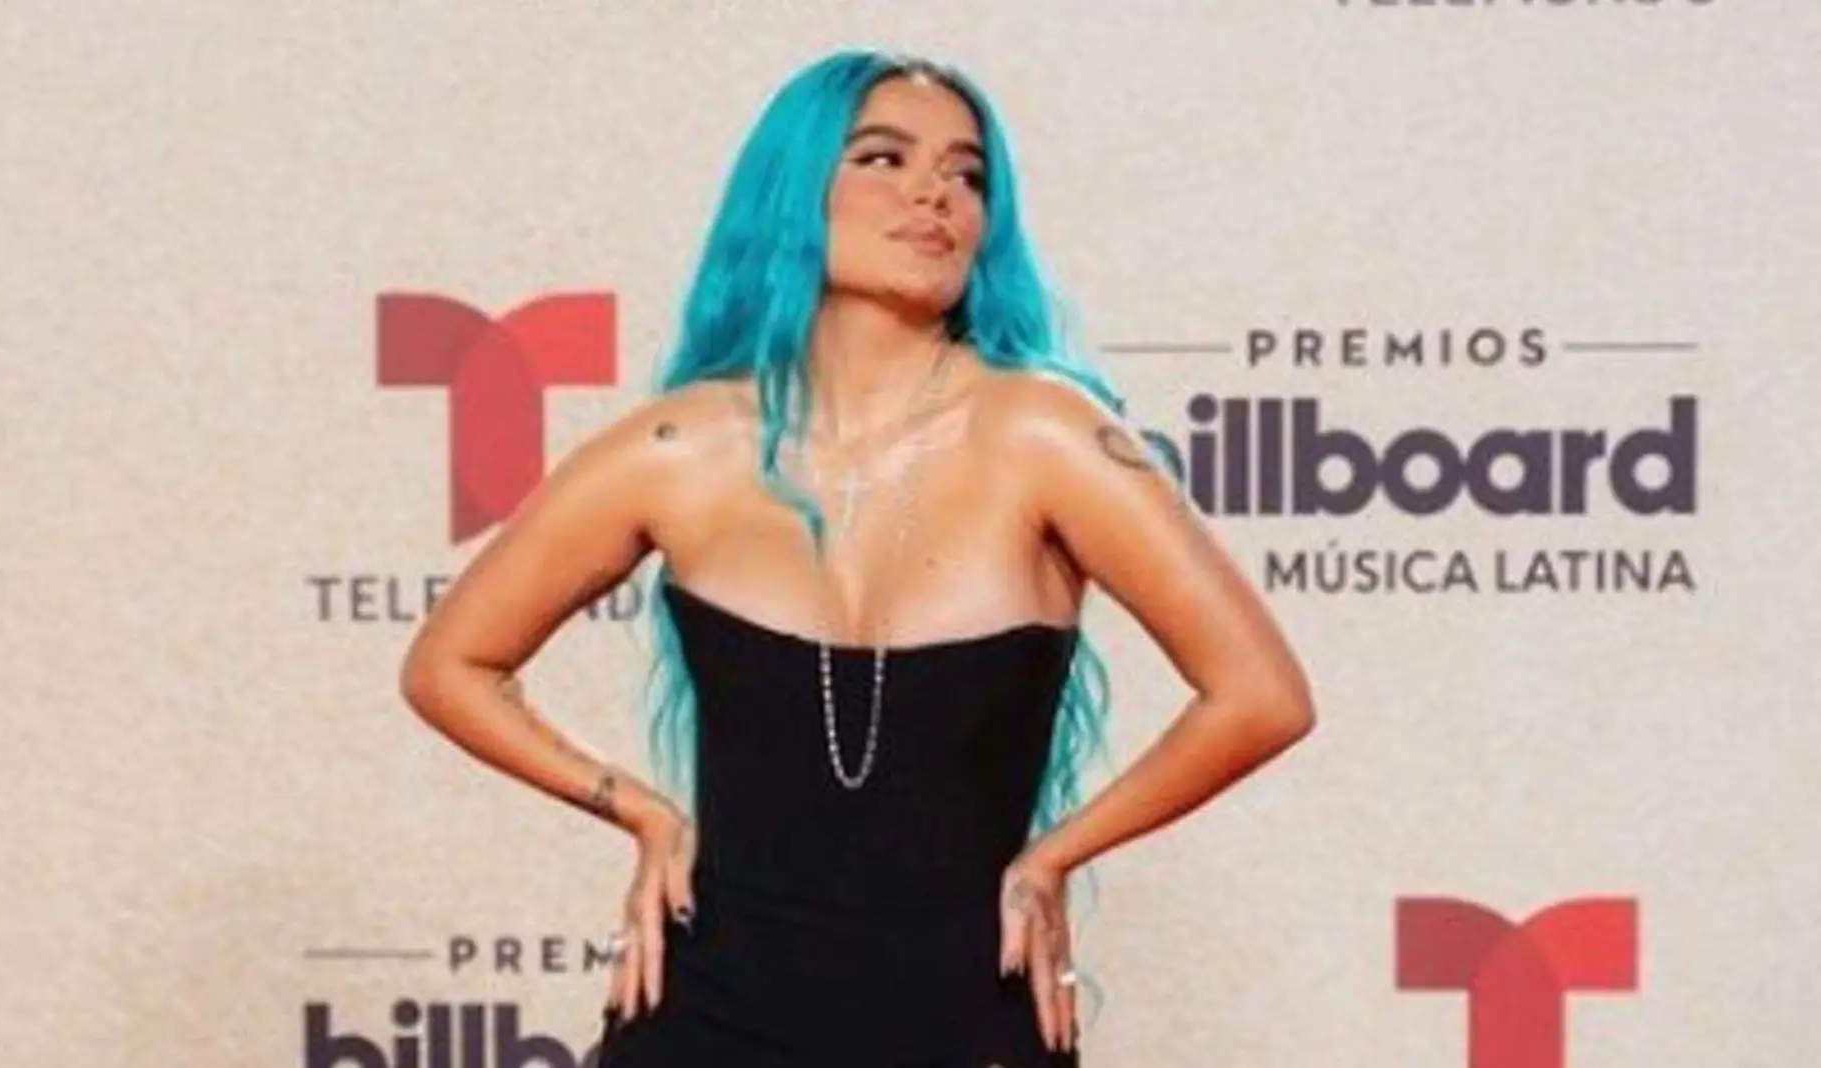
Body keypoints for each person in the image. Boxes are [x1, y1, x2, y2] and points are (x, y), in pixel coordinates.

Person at [398, 48, 1315, 1067]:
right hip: (707, 1018)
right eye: (883, 157)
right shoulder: (678, 447)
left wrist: (1054, 859)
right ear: (794, 188)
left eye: (967, 174)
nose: (934, 193)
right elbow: (451, 664)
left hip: (966, 1019)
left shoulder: (1047, 435)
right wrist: (640, 812)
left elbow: (1261, 696)